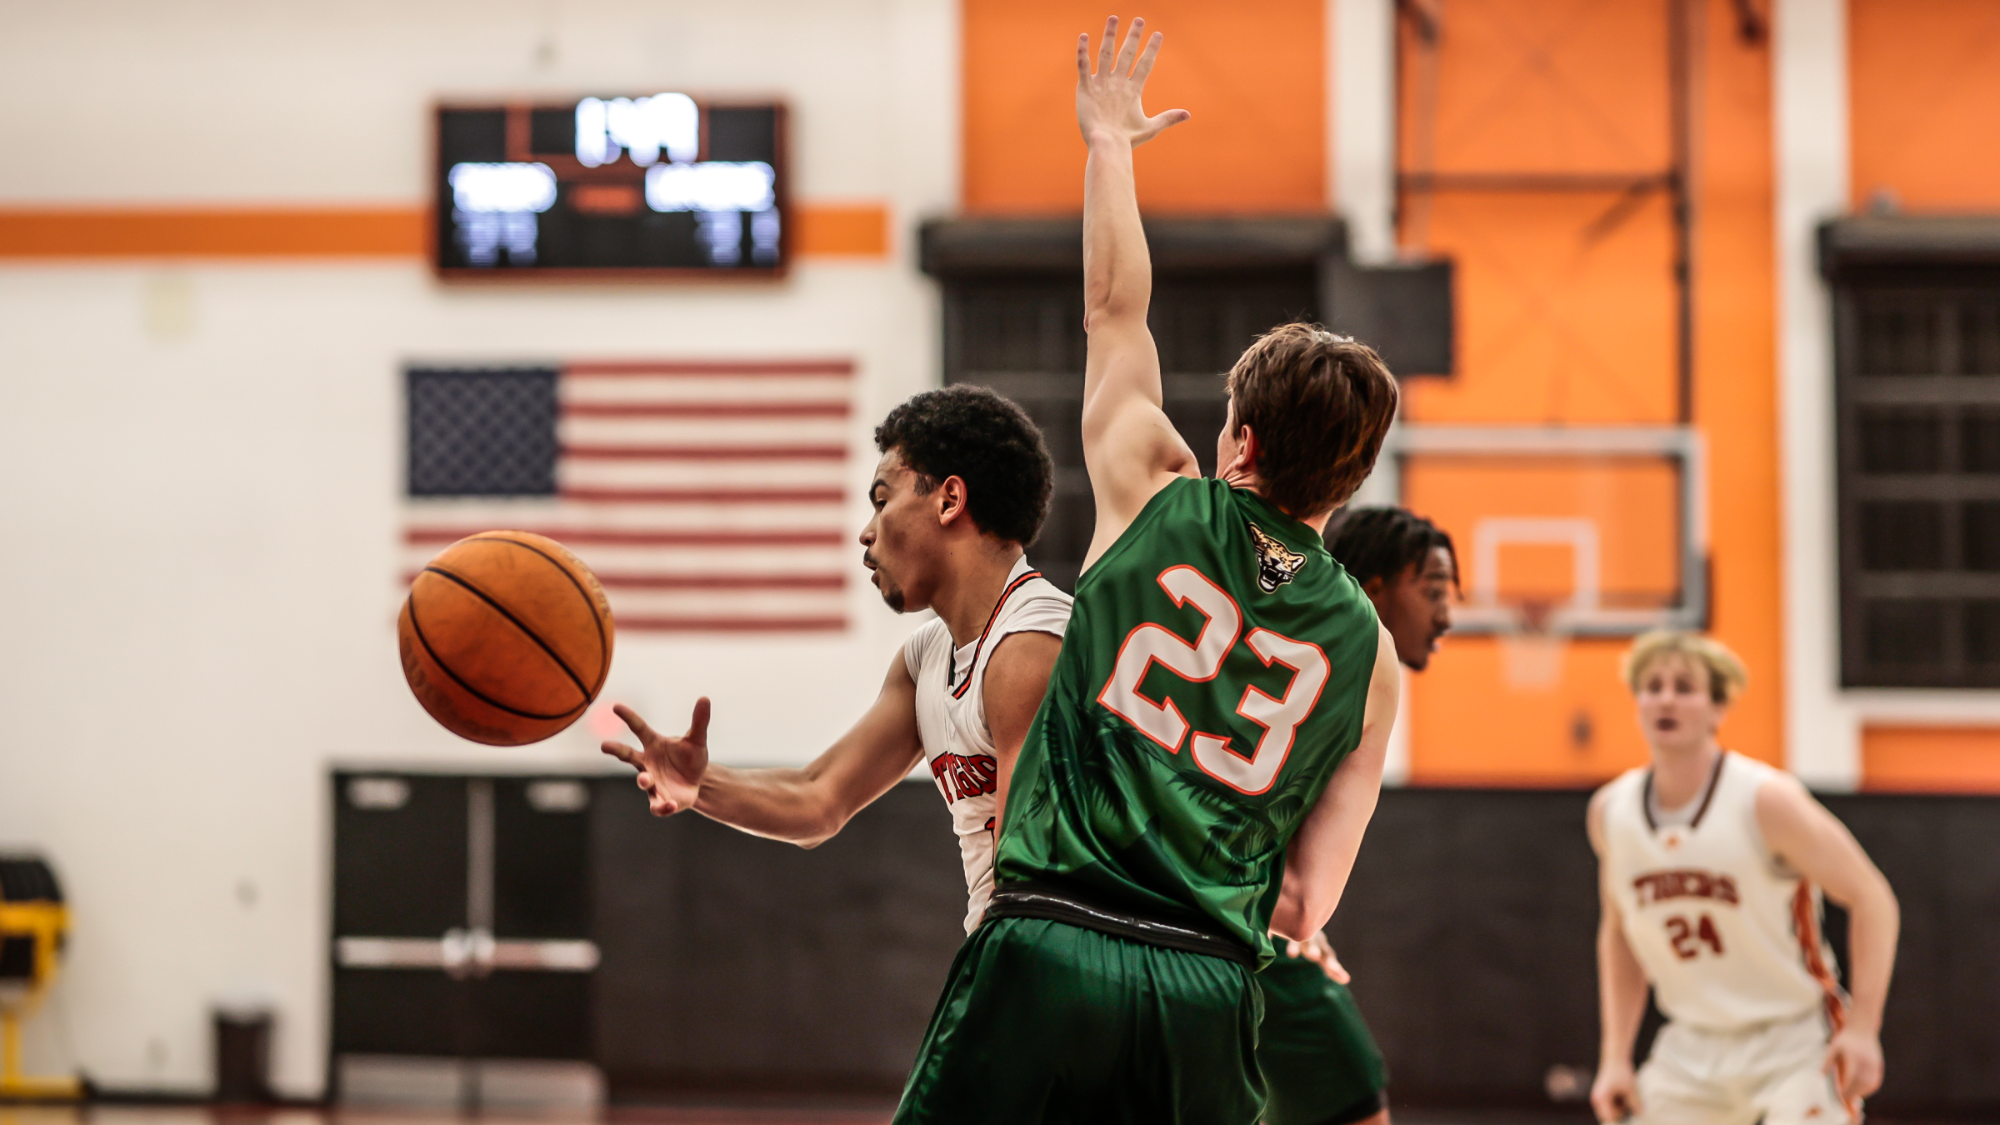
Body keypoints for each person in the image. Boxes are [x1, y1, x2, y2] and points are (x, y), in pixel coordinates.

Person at [891, 17, 1403, 1124]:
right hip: (1204, 994)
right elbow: (1305, 904)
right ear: (1350, 480)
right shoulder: (1368, 652)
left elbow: (1111, 309)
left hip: (1048, 941)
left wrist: (1109, 146)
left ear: (1241, 442)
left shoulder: (1155, 488)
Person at [599, 385, 1069, 938]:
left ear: (949, 500)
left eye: (881, 499)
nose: (866, 533)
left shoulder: (1030, 642)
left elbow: (1031, 876)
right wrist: (700, 787)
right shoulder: (926, 658)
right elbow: (818, 800)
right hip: (1019, 944)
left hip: (1062, 951)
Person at [1588, 632, 1899, 1125]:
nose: (1666, 698)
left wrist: (1863, 1027)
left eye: (1685, 687)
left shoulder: (1765, 800)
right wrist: (1615, 1058)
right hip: (1690, 1045)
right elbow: (1620, 933)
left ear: (1717, 710)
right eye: (1653, 686)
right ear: (1637, 703)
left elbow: (1872, 897)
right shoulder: (1611, 811)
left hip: (1793, 1040)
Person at [1255, 507, 1458, 1125]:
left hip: (1231, 924)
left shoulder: (1290, 640)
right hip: (1238, 940)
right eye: (1432, 591)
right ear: (1373, 589)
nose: (1446, 613)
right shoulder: (1341, 673)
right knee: (1357, 1103)